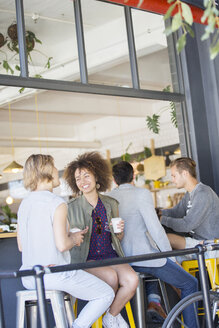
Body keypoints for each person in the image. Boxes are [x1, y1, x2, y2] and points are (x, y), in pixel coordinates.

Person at [17, 154, 115, 328]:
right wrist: (74, 237)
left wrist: (67, 235)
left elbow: (21, 246)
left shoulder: (25, 203)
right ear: (46, 170)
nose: (57, 171)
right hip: (54, 274)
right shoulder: (57, 202)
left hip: (29, 276)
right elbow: (62, 245)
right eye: (54, 167)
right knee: (105, 294)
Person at [108, 161, 198, 328]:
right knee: (190, 283)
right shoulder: (141, 194)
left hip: (123, 263)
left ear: (114, 180)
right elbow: (155, 229)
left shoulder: (109, 197)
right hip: (144, 258)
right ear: (133, 176)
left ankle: (153, 302)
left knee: (154, 271)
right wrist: (170, 256)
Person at [64, 152, 138, 328]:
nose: (82, 181)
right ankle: (106, 317)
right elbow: (65, 238)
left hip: (109, 255)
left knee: (132, 280)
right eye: (78, 178)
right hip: (87, 260)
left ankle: (111, 316)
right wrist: (74, 236)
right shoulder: (69, 208)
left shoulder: (111, 203)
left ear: (96, 176)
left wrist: (119, 231)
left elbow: (118, 237)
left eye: (86, 175)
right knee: (111, 278)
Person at [160, 157, 219, 254]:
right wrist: (159, 212)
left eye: (174, 176)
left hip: (210, 246)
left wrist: (162, 219)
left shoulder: (203, 193)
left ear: (185, 173)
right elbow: (176, 212)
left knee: (167, 239)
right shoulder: (190, 194)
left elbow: (186, 225)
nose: (172, 180)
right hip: (197, 242)